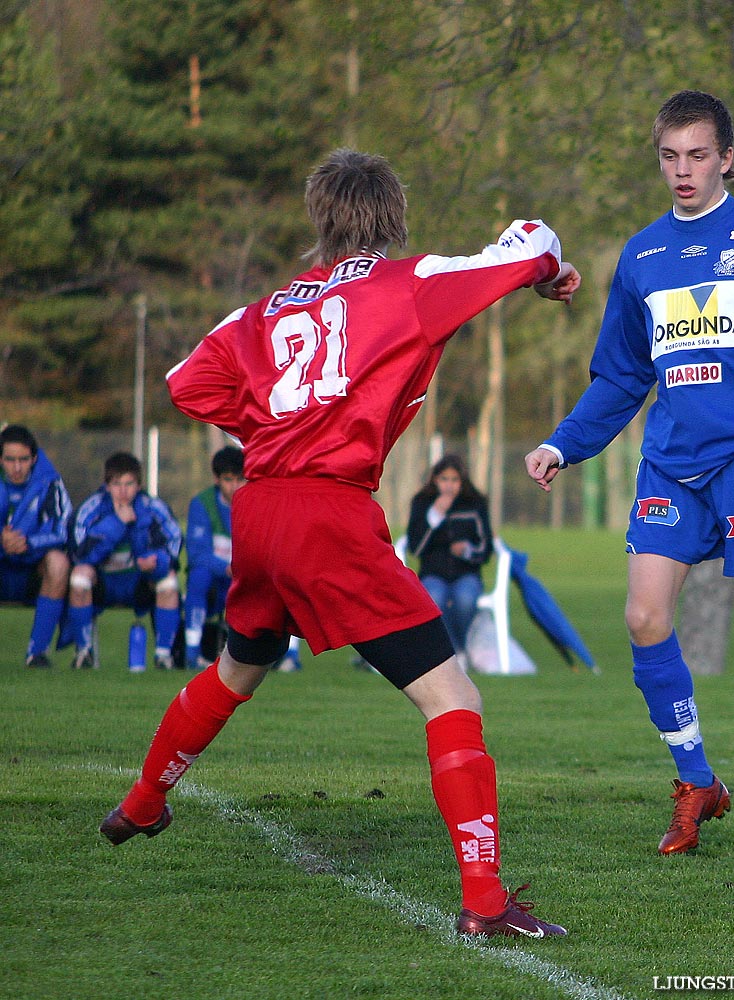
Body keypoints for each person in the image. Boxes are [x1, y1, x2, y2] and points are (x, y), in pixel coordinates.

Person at [100, 149, 580, 938]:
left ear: (317, 217)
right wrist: (546, 273)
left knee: (234, 672)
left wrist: (270, 422)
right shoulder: (408, 283)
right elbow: (529, 238)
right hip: (330, 511)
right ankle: (485, 905)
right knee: (452, 698)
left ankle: (142, 803)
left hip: (260, 513)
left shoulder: (261, 313)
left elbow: (185, 382)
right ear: (392, 217)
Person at [525, 91, 734, 863]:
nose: (682, 170)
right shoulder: (640, 257)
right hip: (671, 462)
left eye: (697, 155)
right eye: (670, 156)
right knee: (642, 618)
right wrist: (562, 445)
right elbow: (618, 379)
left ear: (726, 158)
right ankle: (695, 782)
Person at [67, 451, 183, 670]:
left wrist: (155, 561)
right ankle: (83, 653)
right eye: (116, 484)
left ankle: (164, 656)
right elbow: (79, 553)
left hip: (139, 583)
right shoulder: (91, 509)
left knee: (169, 580)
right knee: (79, 576)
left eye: (129, 484)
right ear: (107, 485)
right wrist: (116, 523)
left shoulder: (153, 508)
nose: (122, 491)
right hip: (102, 583)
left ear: (139, 485)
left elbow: (174, 543)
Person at [406, 454, 493, 663]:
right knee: (435, 598)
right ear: (435, 480)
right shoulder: (422, 502)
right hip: (433, 573)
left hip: (466, 573)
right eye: (444, 479)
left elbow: (486, 547)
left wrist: (467, 551)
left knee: (465, 599)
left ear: (462, 482)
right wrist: (434, 516)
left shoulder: (474, 503)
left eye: (454, 480)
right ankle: (452, 653)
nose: (449, 486)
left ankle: (459, 647)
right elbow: (415, 548)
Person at [0, 424, 72, 668]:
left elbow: (63, 531)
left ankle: (36, 653)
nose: (17, 467)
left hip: (32, 568)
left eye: (23, 459)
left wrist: (27, 542)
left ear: (34, 458)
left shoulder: (50, 483)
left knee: (59, 563)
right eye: (10, 460)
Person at [183, 445, 245, 670]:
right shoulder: (202, 504)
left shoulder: (254, 502)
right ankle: (192, 653)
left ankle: (287, 658)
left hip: (245, 577)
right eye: (229, 479)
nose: (235, 486)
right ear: (217, 479)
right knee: (199, 577)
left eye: (240, 479)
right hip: (218, 580)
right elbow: (197, 554)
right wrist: (227, 568)